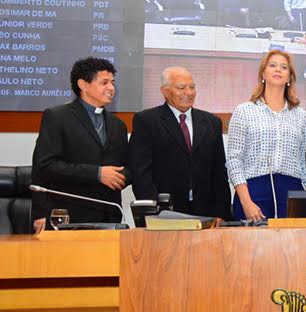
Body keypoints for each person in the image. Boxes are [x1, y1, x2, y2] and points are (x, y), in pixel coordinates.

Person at [31, 57, 130, 232]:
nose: (111, 88)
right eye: (104, 83)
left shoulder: (118, 125)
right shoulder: (57, 117)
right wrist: (97, 173)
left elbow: (125, 166)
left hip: (109, 217)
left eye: (113, 83)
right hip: (67, 215)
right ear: (83, 85)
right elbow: (44, 166)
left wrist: (125, 176)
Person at [128, 67, 231, 220]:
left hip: (206, 212)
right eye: (181, 88)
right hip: (165, 212)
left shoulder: (211, 122)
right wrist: (154, 211)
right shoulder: (147, 121)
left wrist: (221, 213)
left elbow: (219, 174)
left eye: (192, 87)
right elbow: (140, 172)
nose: (188, 93)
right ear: (165, 91)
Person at [226, 50, 306, 220]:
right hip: (253, 192)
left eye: (284, 67)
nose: (278, 70)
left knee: (291, 246)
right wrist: (246, 202)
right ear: (263, 73)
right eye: (272, 65)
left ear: (289, 77)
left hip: (291, 193)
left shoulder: (301, 115)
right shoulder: (244, 111)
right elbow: (234, 161)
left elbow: (303, 163)